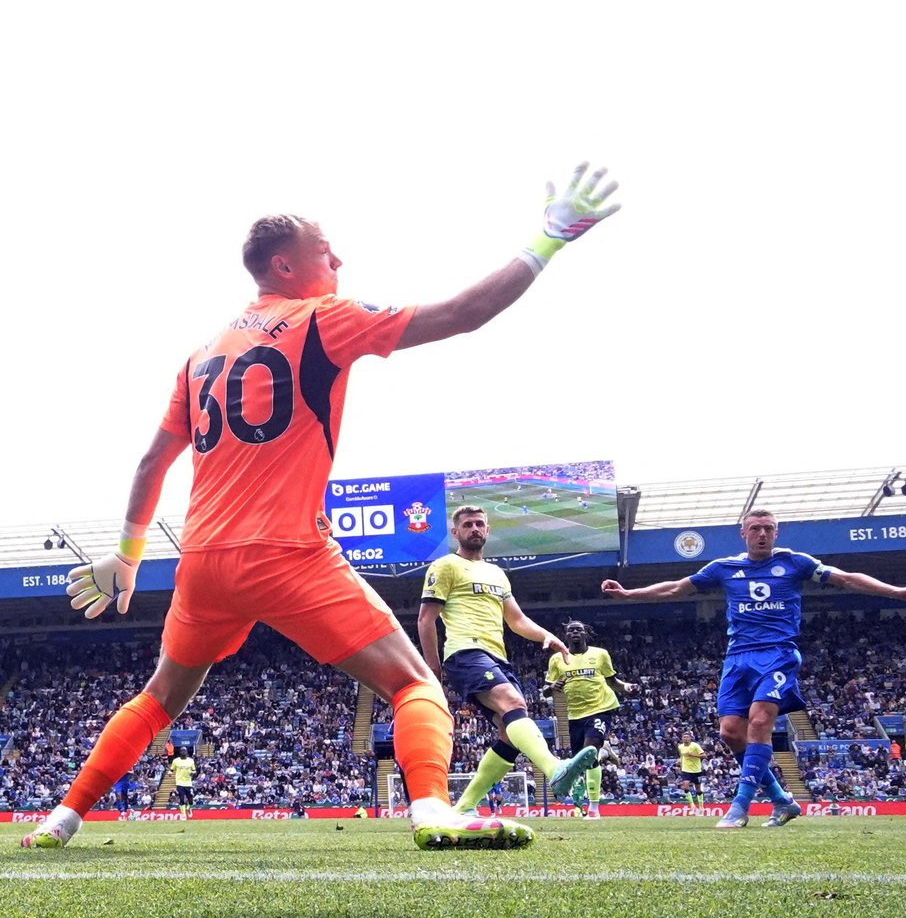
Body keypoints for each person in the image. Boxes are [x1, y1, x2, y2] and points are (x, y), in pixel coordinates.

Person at [20, 164, 620, 852]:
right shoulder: (318, 320)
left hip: (205, 561)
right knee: (413, 680)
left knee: (160, 695)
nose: (338, 259)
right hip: (284, 550)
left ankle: (60, 819)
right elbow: (461, 314)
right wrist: (547, 240)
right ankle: (431, 809)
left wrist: (127, 556)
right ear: (285, 263)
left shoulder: (199, 355)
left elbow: (153, 460)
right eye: (325, 249)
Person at [602, 508, 906, 829]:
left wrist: (896, 592)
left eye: (768, 529)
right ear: (743, 533)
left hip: (778, 654)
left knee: (759, 721)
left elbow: (845, 578)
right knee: (730, 732)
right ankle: (782, 800)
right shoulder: (724, 568)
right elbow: (676, 587)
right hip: (737, 658)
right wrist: (629, 593)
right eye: (755, 528)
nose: (762, 534)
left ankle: (739, 807)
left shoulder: (794, 562)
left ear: (776, 532)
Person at [417, 506, 599, 815]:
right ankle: (556, 770)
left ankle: (465, 806)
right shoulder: (446, 566)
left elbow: (516, 620)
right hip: (465, 653)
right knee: (514, 704)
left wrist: (547, 636)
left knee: (510, 731)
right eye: (467, 525)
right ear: (456, 532)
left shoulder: (497, 574)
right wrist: (433, 669)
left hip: (497, 657)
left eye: (479, 524)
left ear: (487, 530)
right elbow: (425, 620)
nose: (474, 529)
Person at [543, 619, 636, 818]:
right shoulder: (557, 659)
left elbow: (612, 682)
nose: (575, 632)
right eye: (570, 630)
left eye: (579, 629)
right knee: (583, 762)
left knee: (588, 751)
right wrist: (552, 688)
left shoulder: (600, 654)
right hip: (574, 715)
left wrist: (627, 687)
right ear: (566, 635)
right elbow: (545, 692)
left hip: (600, 708)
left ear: (586, 633)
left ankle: (594, 808)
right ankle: (603, 752)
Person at [677, 731, 706, 811]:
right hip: (686, 769)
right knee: (685, 786)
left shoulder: (695, 746)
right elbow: (682, 756)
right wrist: (680, 763)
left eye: (687, 737)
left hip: (696, 770)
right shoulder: (680, 747)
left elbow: (704, 756)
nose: (685, 739)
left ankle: (701, 806)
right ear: (682, 739)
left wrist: (693, 755)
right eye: (684, 737)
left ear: (690, 738)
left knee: (698, 789)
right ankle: (692, 805)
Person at [169, 746, 197, 821]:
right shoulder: (175, 761)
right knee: (181, 799)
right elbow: (171, 769)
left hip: (188, 782)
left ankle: (189, 808)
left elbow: (194, 771)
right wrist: (170, 773)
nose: (183, 752)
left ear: (187, 752)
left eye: (184, 751)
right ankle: (183, 815)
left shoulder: (191, 761)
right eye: (182, 751)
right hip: (179, 782)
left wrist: (192, 773)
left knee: (190, 800)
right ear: (180, 752)